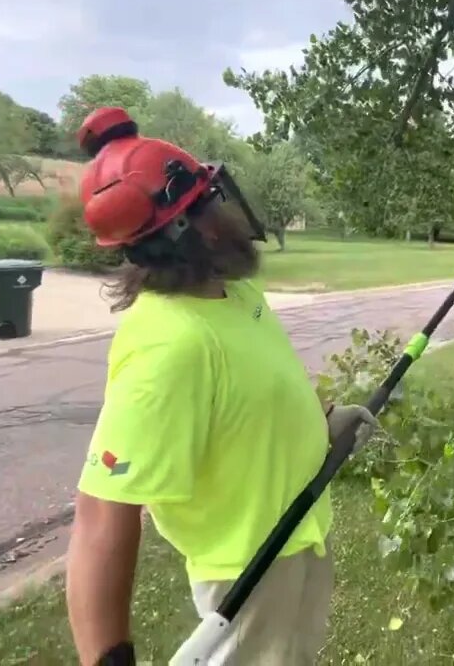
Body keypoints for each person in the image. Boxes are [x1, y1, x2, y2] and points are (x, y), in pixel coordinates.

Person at [64, 106, 377, 666]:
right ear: (192, 227)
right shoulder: (169, 343)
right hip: (248, 575)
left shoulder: (236, 297)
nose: (230, 211)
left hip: (298, 541)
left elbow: (257, 395)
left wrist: (324, 423)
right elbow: (101, 515)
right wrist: (107, 660)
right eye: (214, 201)